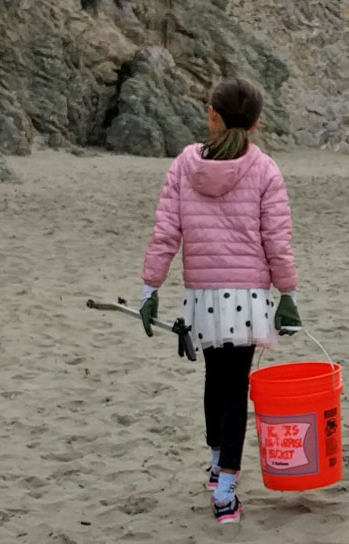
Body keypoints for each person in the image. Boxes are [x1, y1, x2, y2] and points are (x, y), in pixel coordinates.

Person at [138, 77, 302, 525]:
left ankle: (216, 466)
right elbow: (277, 242)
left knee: (215, 381)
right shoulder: (265, 169)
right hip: (247, 298)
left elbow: (165, 233)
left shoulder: (183, 165)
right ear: (257, 122)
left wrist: (150, 288)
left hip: (203, 298)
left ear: (211, 114)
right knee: (236, 388)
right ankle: (226, 489)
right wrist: (288, 294)